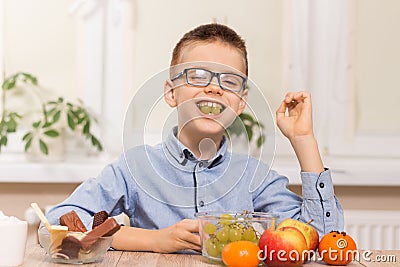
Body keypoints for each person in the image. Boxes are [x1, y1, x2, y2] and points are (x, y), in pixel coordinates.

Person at [45, 23, 344, 253]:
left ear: (241, 103)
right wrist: (155, 240)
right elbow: (60, 221)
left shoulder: (254, 177)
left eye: (228, 81)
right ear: (171, 93)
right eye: (198, 76)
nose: (214, 88)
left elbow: (325, 236)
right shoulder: (134, 167)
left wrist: (304, 140)